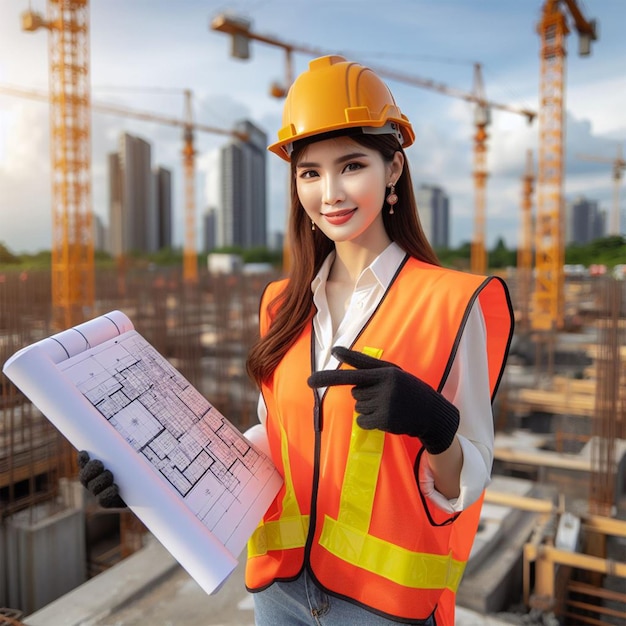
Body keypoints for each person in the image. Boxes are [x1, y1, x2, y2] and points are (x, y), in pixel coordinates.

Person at [80, 55, 514, 625]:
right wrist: (149, 479)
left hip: (385, 609)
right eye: (309, 172)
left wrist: (437, 428)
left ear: (393, 169)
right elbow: (273, 440)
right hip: (278, 592)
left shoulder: (453, 302)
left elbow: (465, 484)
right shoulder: (281, 304)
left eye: (351, 165)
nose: (329, 191)